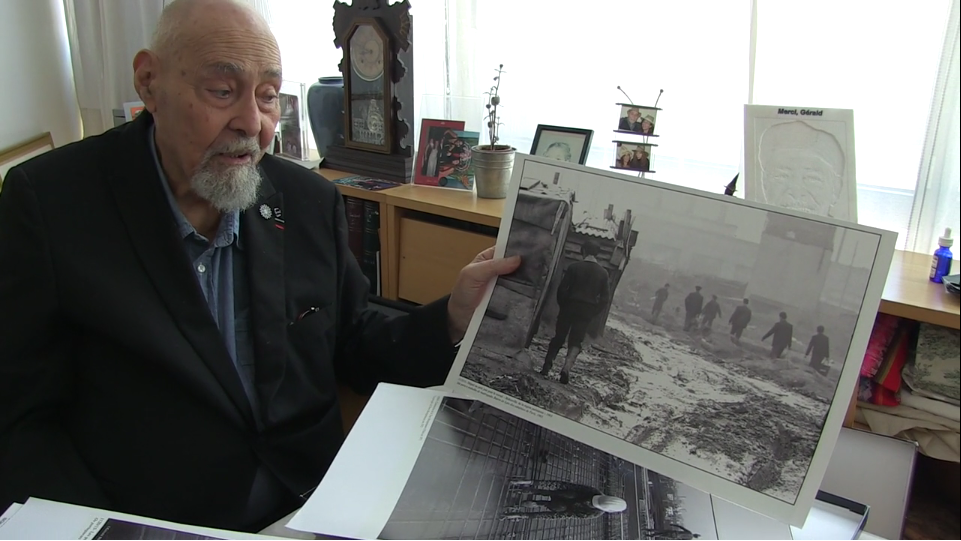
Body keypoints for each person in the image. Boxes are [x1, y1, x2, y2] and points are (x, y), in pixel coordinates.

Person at [0, 0, 520, 533]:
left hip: (311, 504)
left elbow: (354, 342)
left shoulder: (307, 200)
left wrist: (453, 317)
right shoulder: (51, 204)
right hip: (155, 520)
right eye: (222, 91)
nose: (253, 123)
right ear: (149, 82)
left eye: (268, 95)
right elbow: (21, 420)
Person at [540, 240, 610, 385]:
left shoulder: (574, 267)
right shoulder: (603, 273)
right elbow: (605, 299)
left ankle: (547, 366)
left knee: (559, 336)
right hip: (586, 311)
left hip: (569, 306)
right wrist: (593, 311)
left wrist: (563, 304)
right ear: (597, 254)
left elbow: (562, 289)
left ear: (583, 251)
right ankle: (566, 368)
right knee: (576, 340)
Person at [503, 480, 627, 520]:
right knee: (566, 495)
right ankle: (527, 495)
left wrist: (524, 515)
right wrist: (531, 484)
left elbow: (565, 513)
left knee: (560, 505)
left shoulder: (594, 509)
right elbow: (563, 486)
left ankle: (529, 497)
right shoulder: (594, 505)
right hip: (562, 499)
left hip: (562, 504)